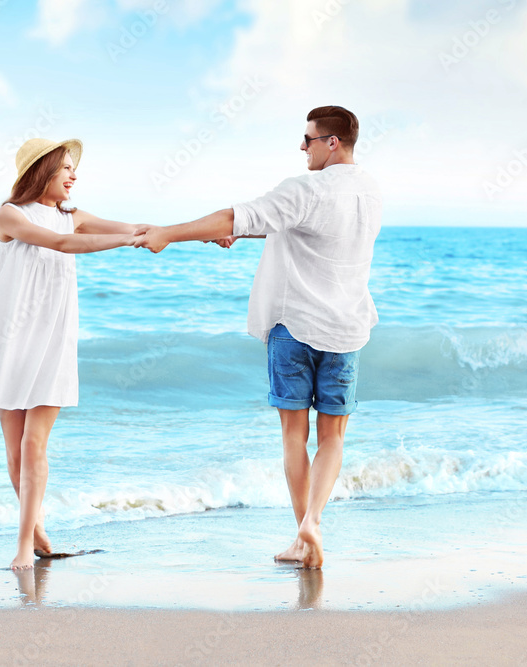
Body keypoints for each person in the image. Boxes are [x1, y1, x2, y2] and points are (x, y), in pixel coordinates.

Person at [137, 106, 382, 568]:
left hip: (294, 324)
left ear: (331, 143)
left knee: (294, 435)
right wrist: (245, 233)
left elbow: (238, 215)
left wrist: (169, 233)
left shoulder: (306, 188)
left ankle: (302, 537)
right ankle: (314, 522)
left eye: (308, 139)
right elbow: (300, 227)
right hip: (346, 327)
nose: (302, 147)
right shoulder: (370, 190)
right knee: (332, 437)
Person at [0, 138, 142, 570]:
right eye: (66, 169)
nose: (74, 176)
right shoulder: (11, 214)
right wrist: (119, 242)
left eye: (74, 169)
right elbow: (60, 245)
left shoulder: (72, 216)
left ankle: (25, 542)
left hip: (54, 339)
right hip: (11, 339)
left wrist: (193, 237)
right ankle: (35, 532)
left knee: (36, 443)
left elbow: (132, 228)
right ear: (42, 171)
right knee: (17, 448)